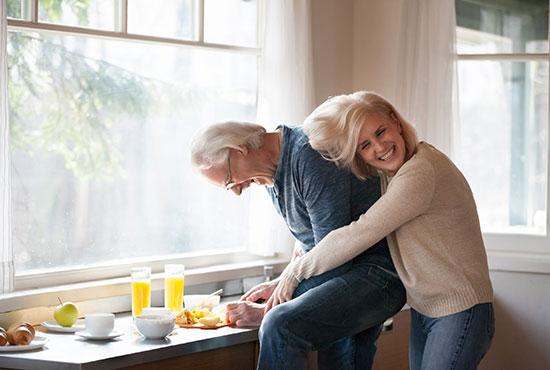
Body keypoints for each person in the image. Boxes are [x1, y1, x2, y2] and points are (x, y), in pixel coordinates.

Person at [267, 91, 495, 370]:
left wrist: (294, 272)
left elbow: (359, 233)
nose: (379, 147)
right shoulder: (394, 175)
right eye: (365, 145)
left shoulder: (421, 171)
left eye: (381, 131)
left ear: (396, 123)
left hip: (460, 310)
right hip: (427, 309)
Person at [190, 121, 406, 370]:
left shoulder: (310, 153)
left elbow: (332, 256)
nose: (237, 191)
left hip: (377, 275)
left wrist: (269, 309)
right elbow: (310, 244)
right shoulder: (269, 174)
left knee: (278, 324)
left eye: (229, 180)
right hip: (342, 274)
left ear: (240, 149)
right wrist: (279, 284)